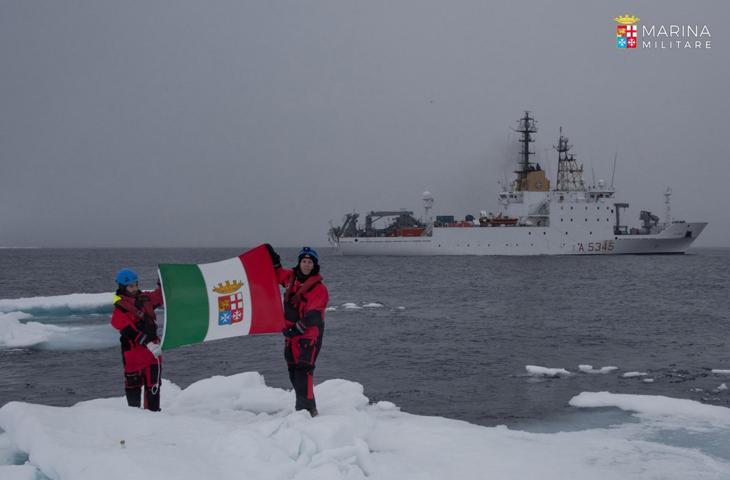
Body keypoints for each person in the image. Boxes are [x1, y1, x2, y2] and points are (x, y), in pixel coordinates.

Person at [266, 245, 329, 417]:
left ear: (314, 265)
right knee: (293, 370)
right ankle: (307, 407)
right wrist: (274, 260)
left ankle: (307, 411)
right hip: (291, 336)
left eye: (310, 262)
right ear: (299, 263)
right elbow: (278, 275)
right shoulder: (291, 279)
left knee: (304, 370)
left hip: (309, 336)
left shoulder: (319, 289)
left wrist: (295, 329)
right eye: (304, 261)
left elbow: (314, 315)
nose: (306, 265)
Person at [110, 268, 164, 411]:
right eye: (130, 286)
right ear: (122, 287)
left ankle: (153, 415)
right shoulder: (119, 309)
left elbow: (160, 296)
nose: (134, 288)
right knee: (133, 387)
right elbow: (128, 331)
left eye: (136, 285)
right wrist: (147, 343)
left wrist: (163, 280)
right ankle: (134, 418)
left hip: (152, 354)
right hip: (133, 355)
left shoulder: (146, 299)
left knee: (153, 385)